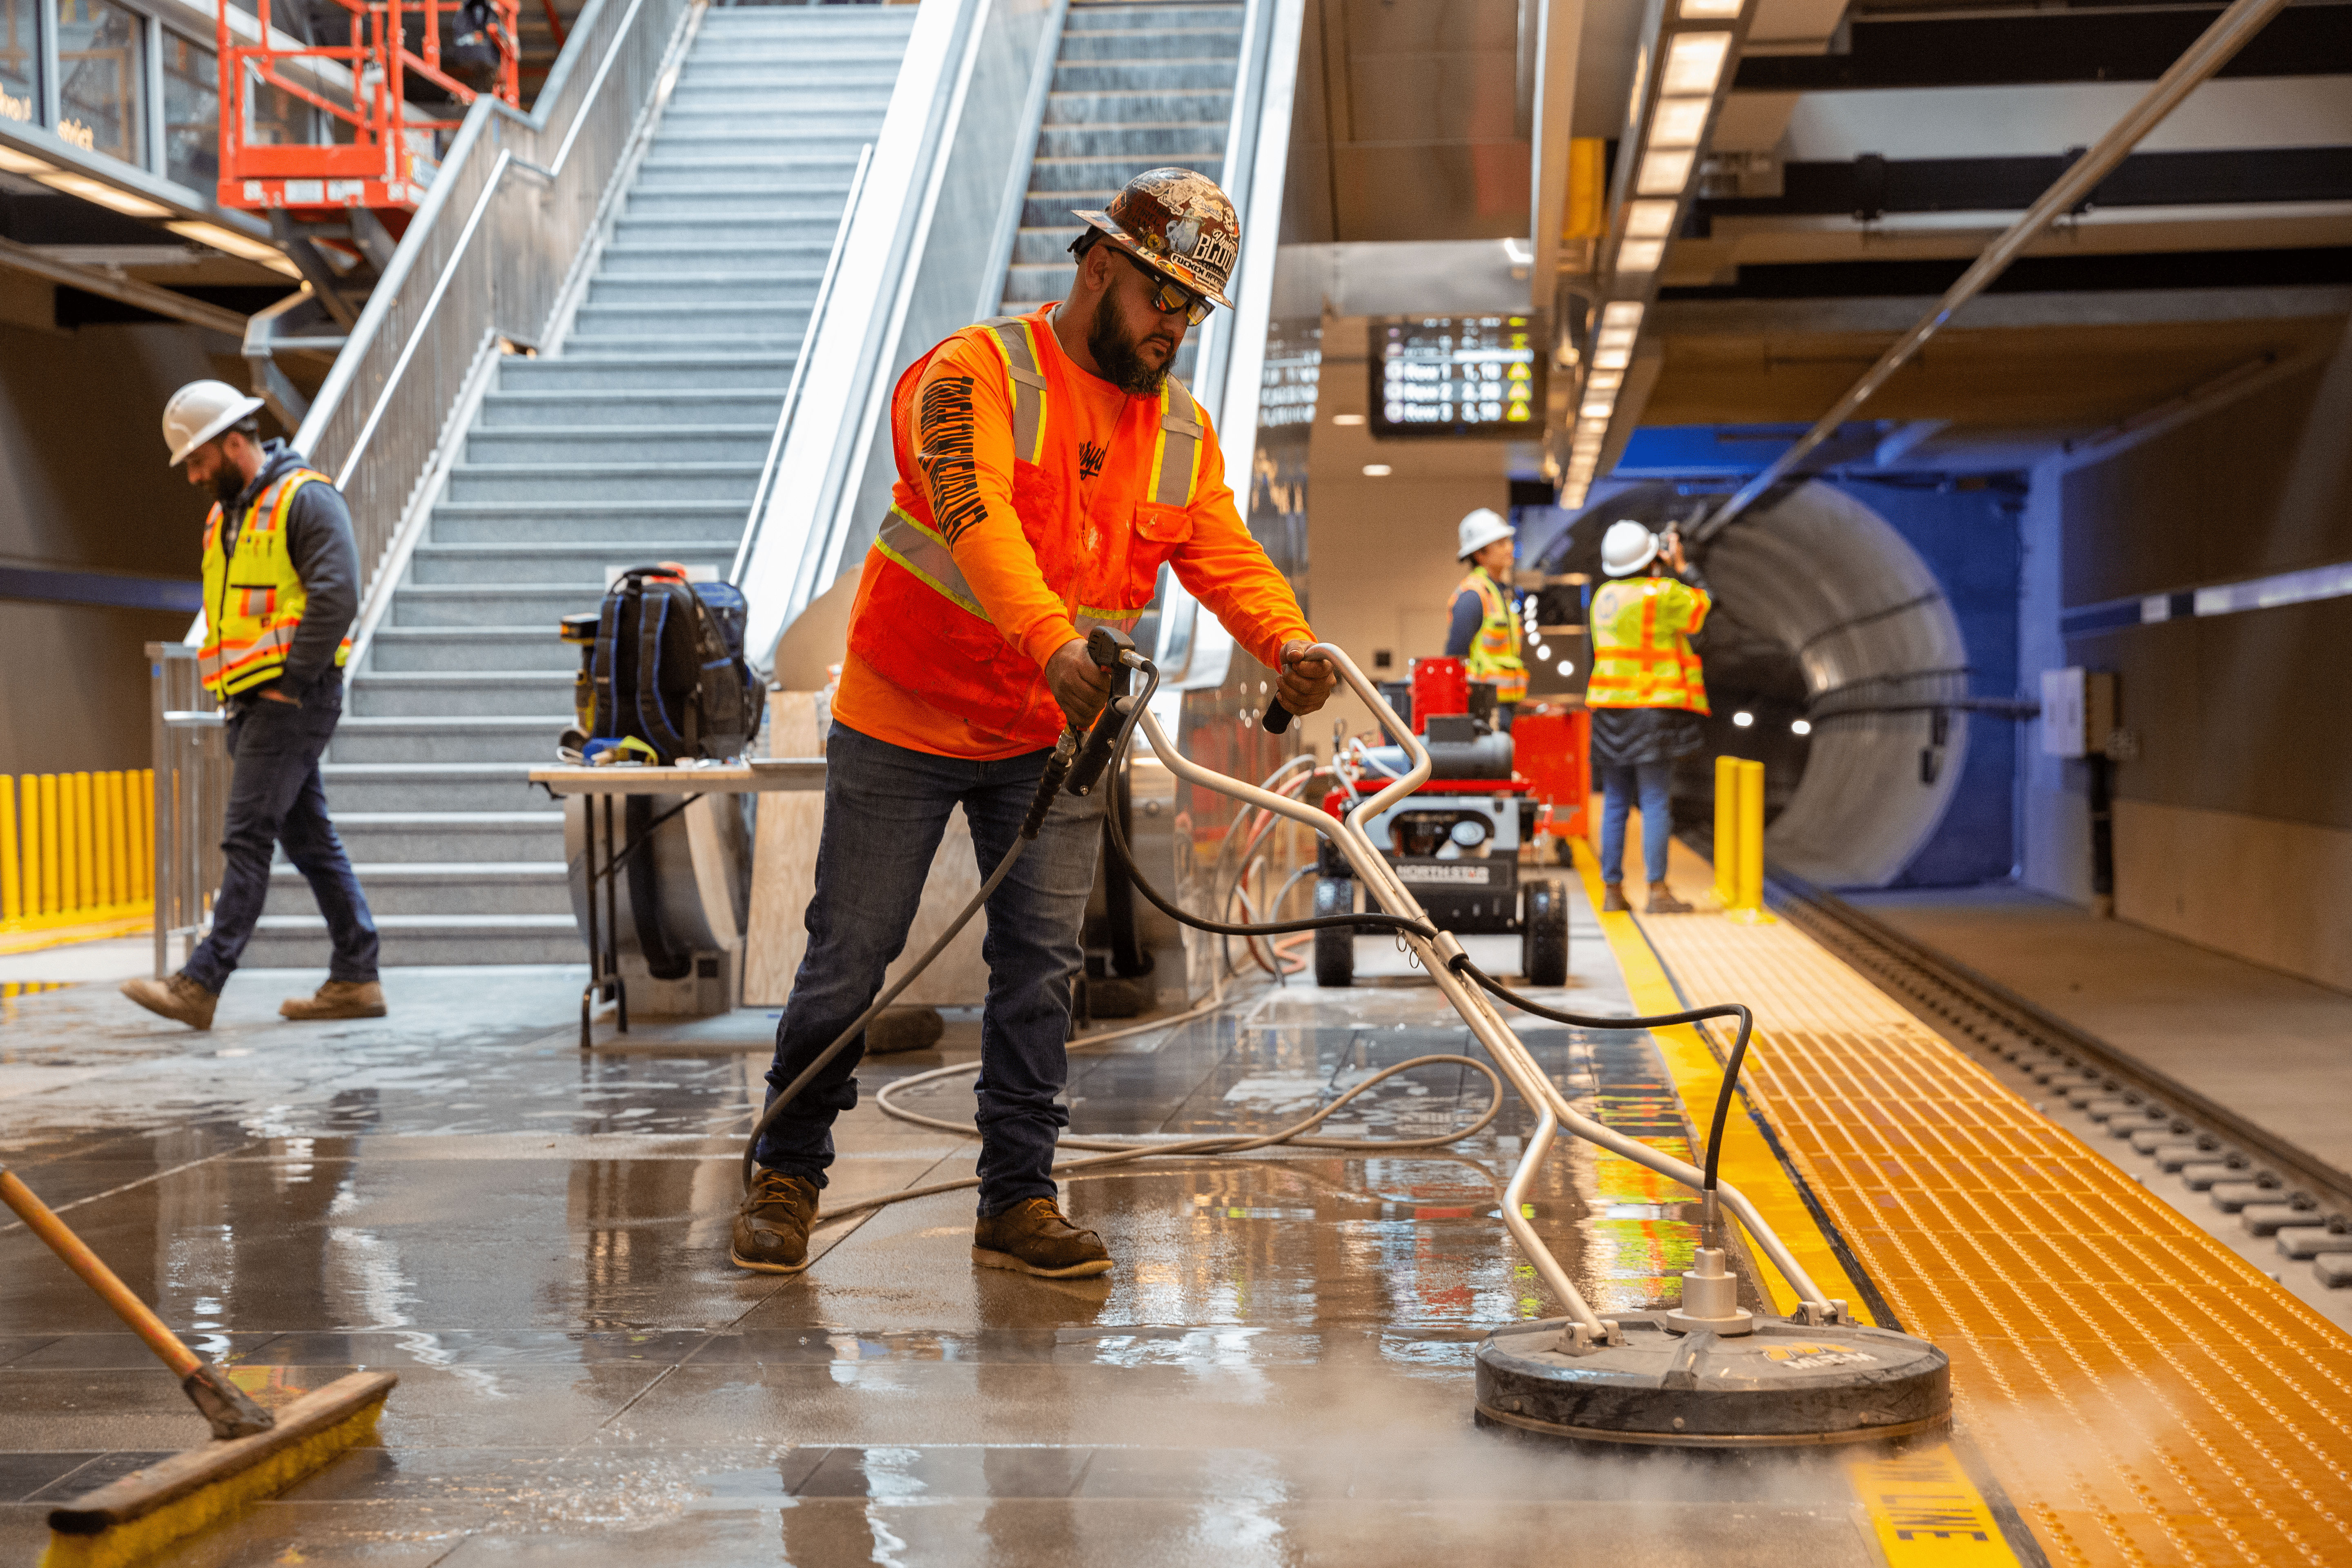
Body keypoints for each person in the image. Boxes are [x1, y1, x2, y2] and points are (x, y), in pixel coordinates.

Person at [733, 168, 1336, 1281]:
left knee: (1040, 969)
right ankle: (786, 1175)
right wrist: (1052, 644)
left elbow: (1225, 555)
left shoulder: (1179, 433)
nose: (1178, 329)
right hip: (905, 716)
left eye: (1197, 312)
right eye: (1165, 300)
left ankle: (1017, 1196)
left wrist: (1287, 643)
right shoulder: (973, 376)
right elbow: (977, 524)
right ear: (1100, 265)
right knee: (851, 953)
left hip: (1049, 739)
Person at [120, 383, 383, 1031]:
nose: (192, 475)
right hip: (250, 703)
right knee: (311, 841)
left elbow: (337, 595)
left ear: (234, 441)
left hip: (291, 701)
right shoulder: (227, 516)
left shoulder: (307, 500)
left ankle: (201, 982)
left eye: (197, 459)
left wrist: (292, 682)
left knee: (246, 837)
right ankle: (357, 974)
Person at [1586, 519, 1711, 915]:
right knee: (1655, 800)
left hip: (1609, 711)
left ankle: (1612, 891)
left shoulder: (1603, 597)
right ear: (1651, 556)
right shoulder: (1662, 594)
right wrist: (1682, 565)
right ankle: (1657, 891)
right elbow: (1705, 605)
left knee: (1616, 802)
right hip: (1651, 709)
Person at [1443, 507, 1527, 728]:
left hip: (1504, 703)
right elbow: (1455, 656)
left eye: (1508, 541)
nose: (1509, 548)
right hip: (1483, 705)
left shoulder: (1501, 593)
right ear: (1480, 554)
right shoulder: (1474, 595)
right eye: (1500, 544)